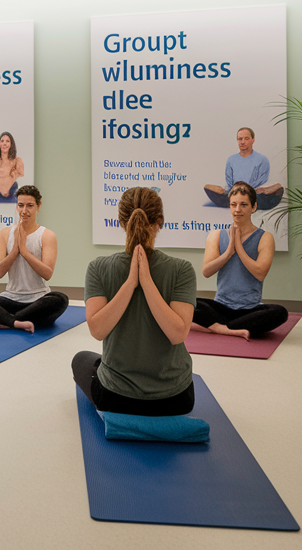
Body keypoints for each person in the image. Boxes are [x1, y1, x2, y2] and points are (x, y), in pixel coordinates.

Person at [72, 187, 197, 416]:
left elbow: (97, 331)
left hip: (116, 399)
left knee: (81, 359)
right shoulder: (182, 269)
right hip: (176, 400)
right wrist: (132, 282)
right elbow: (179, 334)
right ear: (160, 221)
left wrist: (143, 282)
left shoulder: (98, 268)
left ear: (121, 221)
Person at [0, 185, 69, 333]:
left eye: (30, 206)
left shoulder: (47, 235)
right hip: (9, 300)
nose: (24, 211)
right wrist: (14, 252)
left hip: (37, 301)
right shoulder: (5, 234)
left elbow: (47, 274)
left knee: (60, 299)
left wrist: (24, 251)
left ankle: (5, 321)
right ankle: (16, 322)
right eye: (20, 205)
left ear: (38, 206)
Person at [192, 182, 287, 339]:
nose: (237, 210)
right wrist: (229, 252)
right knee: (187, 303)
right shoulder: (216, 235)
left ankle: (216, 327)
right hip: (221, 307)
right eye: (233, 205)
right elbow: (206, 271)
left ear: (253, 207)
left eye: (243, 205)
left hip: (251, 309)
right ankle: (230, 329)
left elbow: (260, 273)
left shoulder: (265, 238)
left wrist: (238, 247)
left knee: (280, 312)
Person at [203, 127, 284, 210]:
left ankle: (243, 201)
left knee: (272, 191)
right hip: (234, 193)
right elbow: (229, 181)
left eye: (246, 139)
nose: (242, 142)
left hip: (253, 193)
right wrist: (233, 191)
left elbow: (262, 181)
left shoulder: (262, 160)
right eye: (240, 139)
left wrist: (247, 190)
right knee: (208, 187)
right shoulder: (231, 160)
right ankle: (237, 200)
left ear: (253, 140)